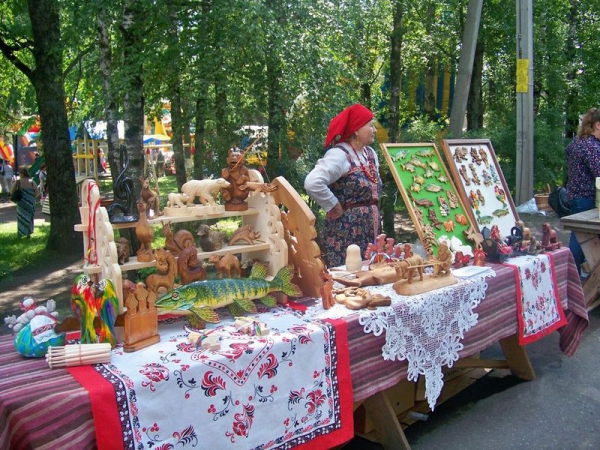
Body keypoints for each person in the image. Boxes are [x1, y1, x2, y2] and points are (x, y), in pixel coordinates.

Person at [304, 104, 382, 267]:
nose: (375, 130)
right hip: (346, 232)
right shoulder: (339, 155)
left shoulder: (370, 154)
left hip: (370, 230)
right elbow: (312, 183)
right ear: (356, 130)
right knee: (348, 276)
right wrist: (333, 205)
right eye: (371, 125)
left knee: (370, 272)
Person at [565, 107, 600, 273]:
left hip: (575, 195)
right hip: (585, 198)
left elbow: (567, 153)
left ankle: (574, 274)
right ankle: (568, 274)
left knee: (580, 236)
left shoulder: (578, 142)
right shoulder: (591, 146)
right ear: (598, 125)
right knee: (581, 238)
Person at [12, 167, 38, 238]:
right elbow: (36, 192)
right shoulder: (31, 181)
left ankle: (20, 233)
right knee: (30, 218)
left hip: (21, 203)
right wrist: (31, 198)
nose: (19, 174)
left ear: (22, 174)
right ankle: (28, 234)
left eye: (19, 173)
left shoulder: (18, 182)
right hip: (31, 203)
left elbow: (12, 191)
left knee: (21, 217)